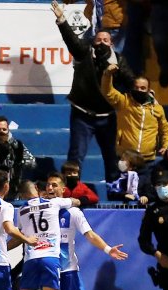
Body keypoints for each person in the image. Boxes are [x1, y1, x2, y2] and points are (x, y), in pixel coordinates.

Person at [45, 173, 128, 290]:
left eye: (55, 185)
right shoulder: (41, 211)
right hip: (49, 268)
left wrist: (108, 249)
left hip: (68, 270)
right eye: (48, 185)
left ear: (63, 189)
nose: (50, 188)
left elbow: (89, 235)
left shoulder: (73, 213)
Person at [51, 0, 135, 183]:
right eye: (98, 40)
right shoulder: (84, 52)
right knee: (75, 157)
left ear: (112, 43)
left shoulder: (119, 61)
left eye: (106, 40)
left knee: (111, 159)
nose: (102, 43)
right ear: (92, 42)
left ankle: (114, 194)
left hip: (108, 117)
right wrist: (62, 20)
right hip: (82, 115)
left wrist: (142, 92)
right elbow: (71, 40)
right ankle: (71, 192)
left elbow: (131, 82)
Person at [10, 180, 80, 290]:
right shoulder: (53, 202)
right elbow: (75, 201)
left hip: (31, 259)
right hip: (50, 257)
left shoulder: (22, 211)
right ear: (36, 191)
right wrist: (74, 201)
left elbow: (20, 237)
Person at [101, 64, 168, 164]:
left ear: (148, 90)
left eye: (143, 88)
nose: (139, 90)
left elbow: (166, 130)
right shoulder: (124, 101)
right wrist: (107, 75)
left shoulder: (157, 108)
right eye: (136, 87)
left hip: (148, 160)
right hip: (125, 158)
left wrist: (167, 146)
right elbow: (107, 92)